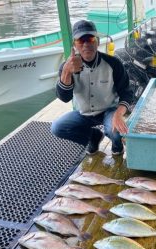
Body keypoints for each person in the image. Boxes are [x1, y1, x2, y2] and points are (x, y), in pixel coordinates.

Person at [51, 19, 133, 155]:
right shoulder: (67, 67)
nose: (86, 44)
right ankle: (93, 136)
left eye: (90, 39)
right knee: (57, 127)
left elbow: (126, 93)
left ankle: (117, 146)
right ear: (74, 45)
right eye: (80, 41)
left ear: (98, 42)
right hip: (83, 113)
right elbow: (64, 98)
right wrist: (66, 72)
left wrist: (118, 114)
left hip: (109, 110)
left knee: (116, 130)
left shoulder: (113, 63)